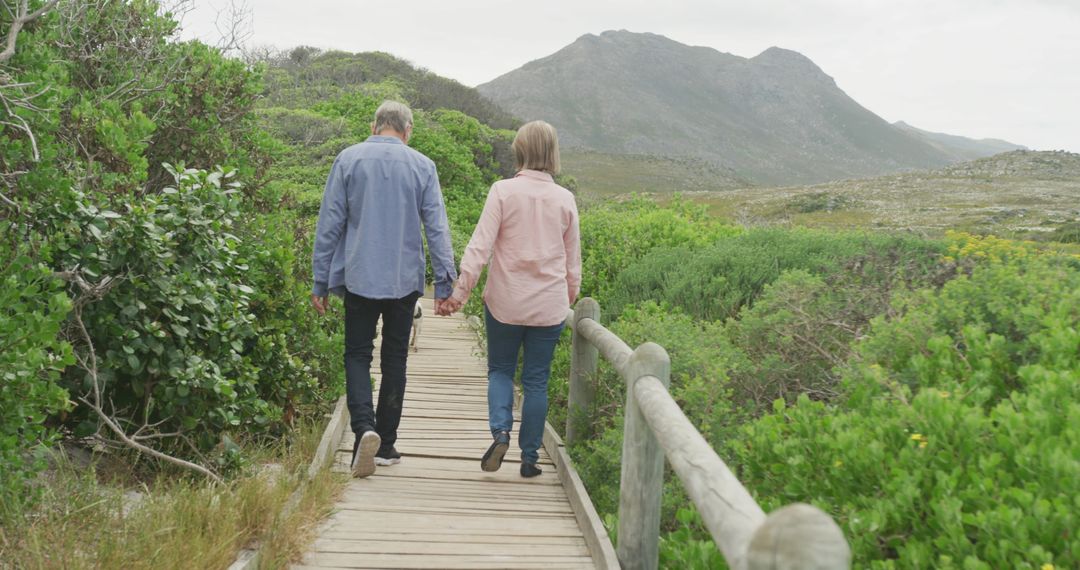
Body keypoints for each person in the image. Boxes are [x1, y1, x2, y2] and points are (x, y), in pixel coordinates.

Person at [311, 100, 457, 478]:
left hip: (359, 276)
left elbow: (329, 224)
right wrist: (445, 283)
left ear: (375, 126)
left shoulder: (348, 160)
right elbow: (437, 228)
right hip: (404, 280)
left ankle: (364, 431)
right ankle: (387, 444)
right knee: (395, 360)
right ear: (407, 131)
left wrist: (320, 280)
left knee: (357, 354)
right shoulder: (423, 166)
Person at [439, 120, 581, 478]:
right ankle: (530, 458)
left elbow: (480, 246)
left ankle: (500, 431)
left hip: (505, 302)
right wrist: (566, 299)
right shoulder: (566, 199)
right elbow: (572, 262)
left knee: (500, 370)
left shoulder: (502, 191)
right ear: (552, 153)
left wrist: (460, 293)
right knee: (536, 381)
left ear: (519, 150)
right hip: (548, 306)